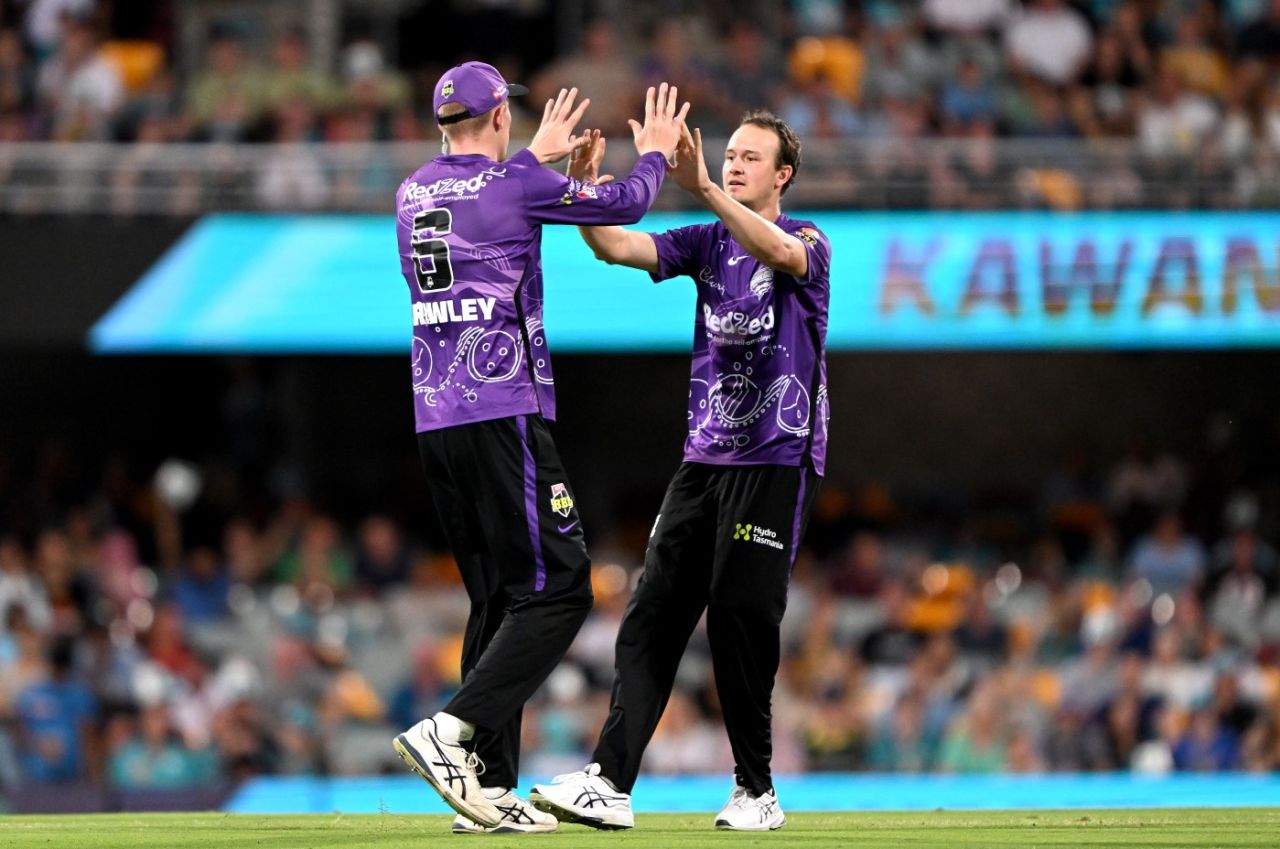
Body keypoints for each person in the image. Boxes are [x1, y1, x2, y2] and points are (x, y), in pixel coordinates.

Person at [389, 62, 689, 834]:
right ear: (497, 119)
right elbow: (627, 201)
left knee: (497, 596)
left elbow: (489, 199)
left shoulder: (412, 191)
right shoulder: (517, 184)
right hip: (503, 410)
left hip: (436, 417)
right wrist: (653, 148)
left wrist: (537, 164)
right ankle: (451, 732)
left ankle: (484, 791)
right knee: (562, 589)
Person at [530, 110, 831, 831]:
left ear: (782, 175)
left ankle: (756, 790)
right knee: (651, 612)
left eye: (751, 158)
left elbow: (781, 252)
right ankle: (609, 781)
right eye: (730, 157)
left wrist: (700, 189)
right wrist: (583, 197)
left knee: (739, 612)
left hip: (776, 456)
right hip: (704, 459)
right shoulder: (706, 243)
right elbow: (615, 248)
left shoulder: (810, 240)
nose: (734, 165)